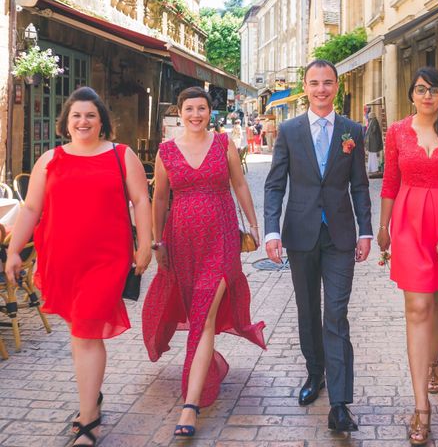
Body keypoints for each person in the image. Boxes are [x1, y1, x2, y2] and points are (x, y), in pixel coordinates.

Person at [4, 86, 152, 446]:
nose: (83, 121)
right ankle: (92, 395)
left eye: (90, 115)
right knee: (80, 333)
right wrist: (14, 250)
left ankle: (88, 418)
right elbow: (31, 209)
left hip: (107, 258)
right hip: (62, 258)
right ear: (66, 122)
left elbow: (141, 200)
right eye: (76, 115)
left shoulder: (121, 155)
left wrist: (146, 244)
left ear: (102, 122)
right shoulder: (50, 160)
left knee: (85, 331)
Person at [142, 86, 266, 438]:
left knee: (204, 313)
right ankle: (206, 366)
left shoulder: (223, 143)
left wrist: (253, 226)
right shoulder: (166, 151)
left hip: (222, 238)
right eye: (189, 109)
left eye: (202, 109)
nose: (196, 115)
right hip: (182, 242)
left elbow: (239, 185)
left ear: (210, 112)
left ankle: (190, 405)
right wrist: (157, 240)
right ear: (179, 112)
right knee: (197, 311)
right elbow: (160, 198)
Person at [264, 59, 373, 432]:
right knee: (308, 310)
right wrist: (271, 231)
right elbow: (275, 184)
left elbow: (359, 185)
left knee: (336, 315)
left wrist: (366, 230)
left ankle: (340, 404)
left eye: (328, 83)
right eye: (315, 83)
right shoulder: (290, 131)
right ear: (305, 87)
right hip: (301, 233)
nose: (321, 89)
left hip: (341, 235)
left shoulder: (352, 131)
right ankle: (315, 374)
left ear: (337, 86)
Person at [377, 67, 438, 445]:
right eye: (420, 89)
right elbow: (389, 183)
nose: (427, 96)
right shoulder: (398, 131)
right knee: (418, 307)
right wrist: (383, 226)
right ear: (411, 94)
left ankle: (433, 358)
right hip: (408, 223)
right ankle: (421, 406)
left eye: (433, 90)